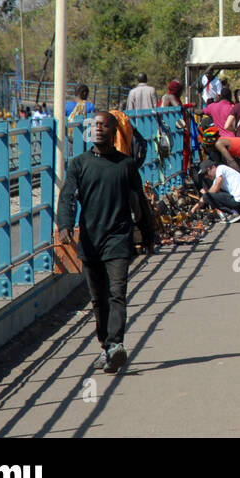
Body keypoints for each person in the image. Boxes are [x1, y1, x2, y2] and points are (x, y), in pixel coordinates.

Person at [56, 110, 155, 373]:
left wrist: (148, 234)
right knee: (99, 299)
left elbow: (139, 201)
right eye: (95, 125)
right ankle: (105, 346)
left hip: (118, 239)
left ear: (114, 131)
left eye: (104, 125)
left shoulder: (126, 165)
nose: (98, 128)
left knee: (117, 294)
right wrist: (64, 224)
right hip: (91, 240)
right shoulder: (79, 164)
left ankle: (115, 345)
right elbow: (67, 197)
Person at [200, 158, 240, 224]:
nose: (206, 177)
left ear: (213, 167)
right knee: (211, 195)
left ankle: (233, 213)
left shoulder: (220, 169)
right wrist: (193, 209)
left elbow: (213, 191)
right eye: (204, 175)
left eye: (206, 173)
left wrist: (206, 194)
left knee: (208, 196)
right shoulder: (223, 173)